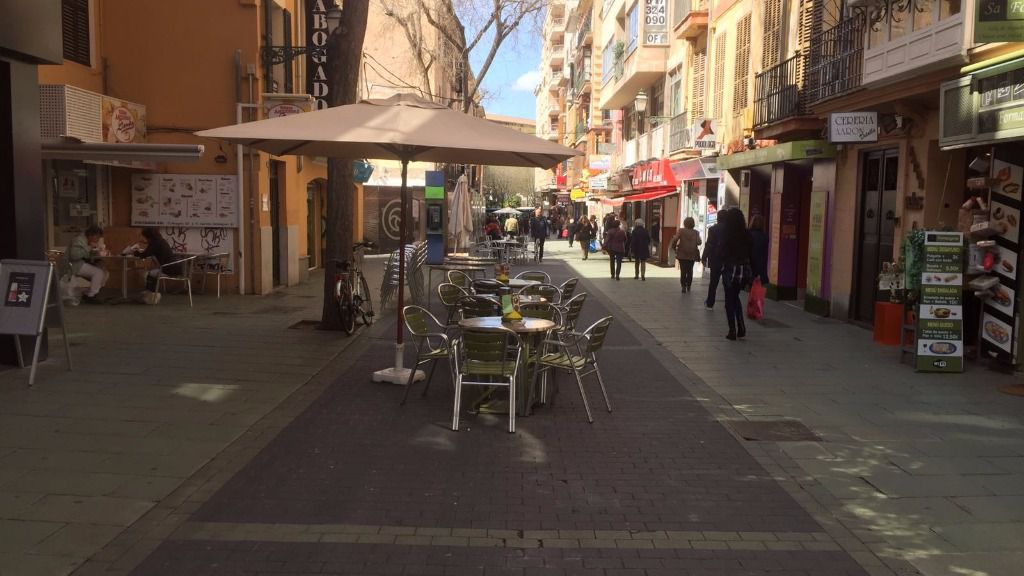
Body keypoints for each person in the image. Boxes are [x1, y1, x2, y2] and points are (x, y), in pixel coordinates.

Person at [719, 208, 753, 340]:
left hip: (730, 269)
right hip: (743, 270)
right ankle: (741, 325)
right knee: (735, 297)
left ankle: (732, 329)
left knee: (729, 299)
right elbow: (751, 252)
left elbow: (721, 251)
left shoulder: (727, 234)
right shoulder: (746, 234)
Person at [133, 227, 179, 305]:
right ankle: (151, 294)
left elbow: (144, 255)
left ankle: (151, 295)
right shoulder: (161, 241)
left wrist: (135, 252)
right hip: (175, 267)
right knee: (153, 273)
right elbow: (151, 250)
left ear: (148, 236)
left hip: (168, 269)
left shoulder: (154, 243)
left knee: (150, 274)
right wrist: (146, 243)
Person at [67, 225, 109, 304]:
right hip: (73, 265)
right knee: (98, 272)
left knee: (105, 273)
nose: (97, 240)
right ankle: (91, 295)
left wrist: (96, 253)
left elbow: (86, 255)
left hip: (81, 263)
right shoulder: (78, 240)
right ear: (91, 235)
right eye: (97, 238)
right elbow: (74, 255)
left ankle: (89, 293)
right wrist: (89, 248)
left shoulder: (85, 240)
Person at [670, 217, 702, 293]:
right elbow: (699, 242)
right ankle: (689, 285)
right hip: (692, 253)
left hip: (682, 253)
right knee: (690, 270)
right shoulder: (696, 232)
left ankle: (683, 286)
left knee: (683, 270)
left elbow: (675, 239)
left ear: (685, 223)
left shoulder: (681, 231)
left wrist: (674, 247)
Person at [702, 216, 723, 310]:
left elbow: (709, 244)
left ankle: (710, 303)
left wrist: (704, 256)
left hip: (716, 259)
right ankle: (730, 303)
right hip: (729, 260)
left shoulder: (713, 229)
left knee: (713, 282)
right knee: (728, 284)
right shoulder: (732, 229)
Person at [749, 214, 769, 285]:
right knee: (757, 289)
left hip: (750, 266)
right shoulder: (765, 237)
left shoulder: (748, 235)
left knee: (751, 286)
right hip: (761, 267)